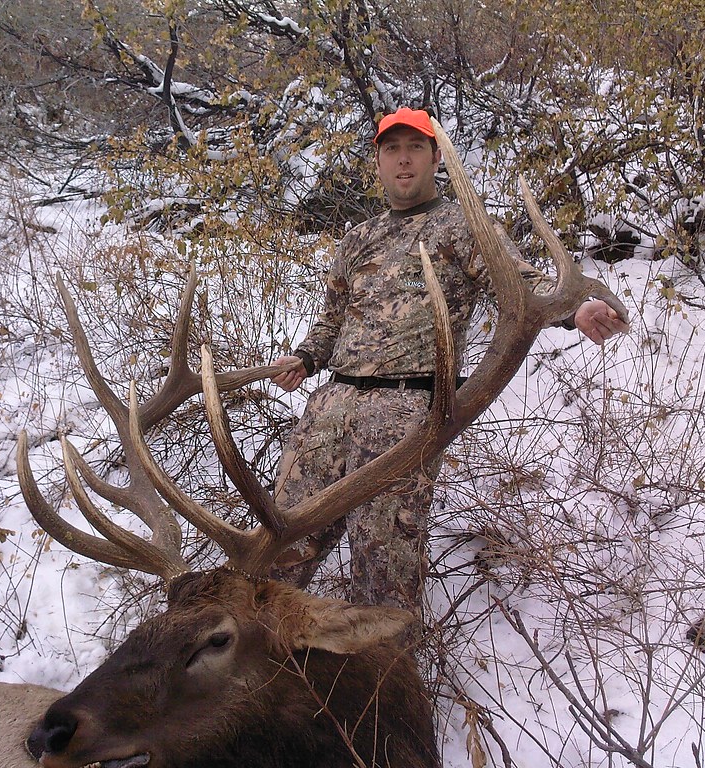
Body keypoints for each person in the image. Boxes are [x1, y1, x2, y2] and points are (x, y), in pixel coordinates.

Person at [268, 107, 629, 617]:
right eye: (392, 149)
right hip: (330, 406)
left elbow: (522, 285)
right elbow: (331, 320)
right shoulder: (358, 239)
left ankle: (385, 667)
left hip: (405, 413)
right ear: (378, 161)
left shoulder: (463, 226)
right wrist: (306, 358)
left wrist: (575, 310)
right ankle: (265, 656)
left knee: (383, 573)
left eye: (415, 147)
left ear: (436, 157)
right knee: (279, 549)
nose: (404, 159)